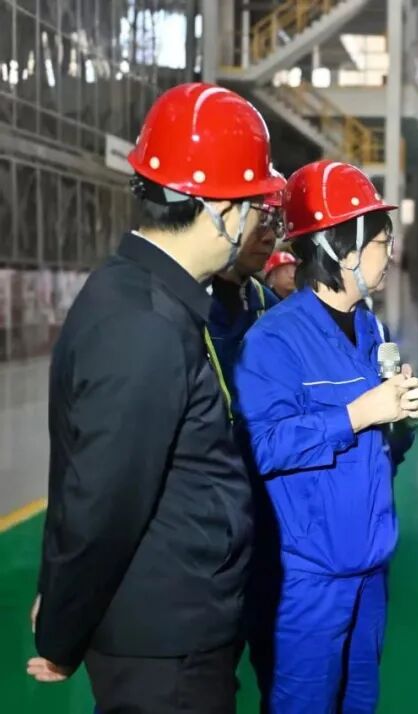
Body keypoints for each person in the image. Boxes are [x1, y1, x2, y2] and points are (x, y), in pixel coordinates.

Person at [28, 82, 285, 713]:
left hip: (181, 628)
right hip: (165, 650)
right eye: (255, 206)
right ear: (221, 210)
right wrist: (62, 628)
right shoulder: (144, 324)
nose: (260, 223)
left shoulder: (155, 298)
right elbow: (102, 502)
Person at [233, 160, 418, 713]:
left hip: (370, 566)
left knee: (359, 702)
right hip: (309, 576)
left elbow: (383, 450)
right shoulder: (274, 340)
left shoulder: (373, 328)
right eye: (381, 243)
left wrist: (404, 419)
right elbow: (262, 446)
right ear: (342, 250)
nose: (389, 255)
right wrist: (356, 414)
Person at [207, 168, 285, 396]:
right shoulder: (180, 304)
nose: (269, 237)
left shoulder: (268, 306)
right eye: (261, 220)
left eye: (275, 223)